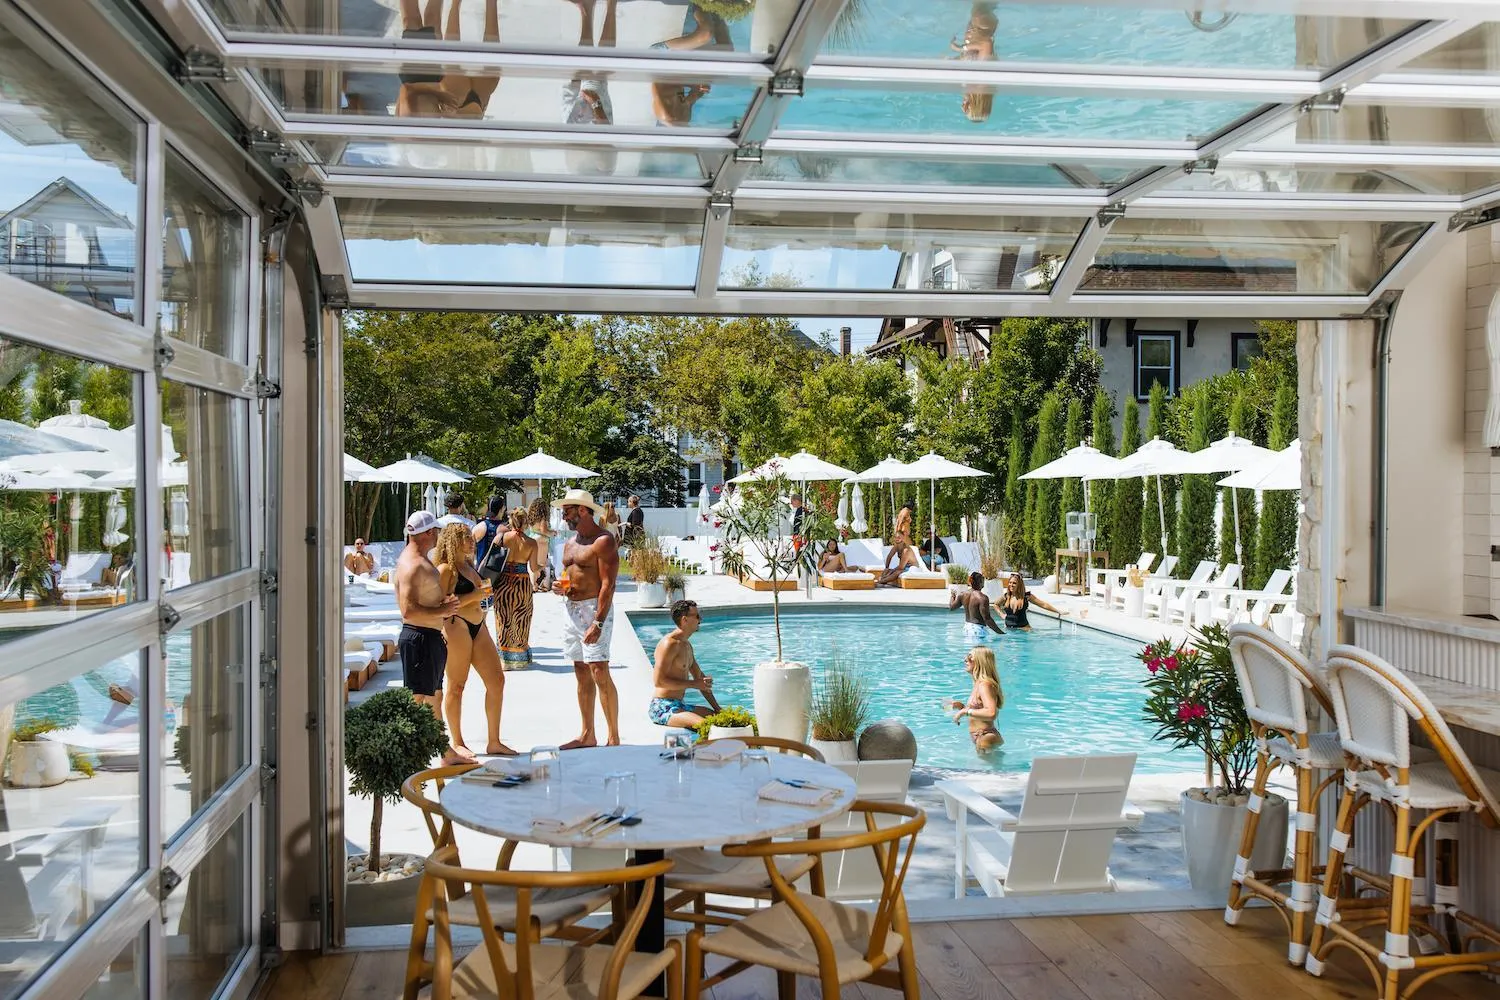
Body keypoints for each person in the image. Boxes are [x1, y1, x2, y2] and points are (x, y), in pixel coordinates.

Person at [433, 524, 515, 759]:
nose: (472, 541)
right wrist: (476, 595)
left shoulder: (468, 565)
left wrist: (483, 592)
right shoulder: (446, 569)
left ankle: (494, 741)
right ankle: (457, 742)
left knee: (497, 681)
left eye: (471, 537)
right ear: (453, 541)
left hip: (479, 625)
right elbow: (441, 604)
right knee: (456, 686)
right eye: (466, 538)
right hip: (456, 626)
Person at [552, 489, 621, 748]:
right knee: (581, 671)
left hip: (594, 609)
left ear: (582, 510)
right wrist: (562, 587)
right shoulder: (570, 542)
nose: (563, 516)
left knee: (599, 670)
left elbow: (608, 585)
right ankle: (587, 734)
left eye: (567, 511)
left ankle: (613, 737)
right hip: (571, 609)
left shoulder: (603, 541)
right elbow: (570, 577)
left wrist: (598, 622)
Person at [395, 511, 459, 731]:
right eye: (437, 532)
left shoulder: (415, 560)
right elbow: (408, 610)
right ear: (429, 532)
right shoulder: (413, 565)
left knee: (434, 697)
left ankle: (442, 746)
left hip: (427, 636)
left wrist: (442, 605)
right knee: (417, 700)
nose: (438, 536)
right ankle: (407, 746)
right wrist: (443, 610)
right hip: (419, 638)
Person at [395, 0, 500, 120]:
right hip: (450, 95)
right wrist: (440, 94)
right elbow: (404, 93)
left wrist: (440, 95)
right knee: (429, 21)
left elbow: (404, 91)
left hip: (466, 100)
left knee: (427, 20)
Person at [650, 6, 731, 126]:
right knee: (728, 54)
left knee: (705, 35)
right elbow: (694, 92)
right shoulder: (684, 117)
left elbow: (666, 84)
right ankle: (719, 12)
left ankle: (699, 4)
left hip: (661, 57)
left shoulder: (668, 115)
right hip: (677, 65)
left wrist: (694, 87)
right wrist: (700, 88)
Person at [649, 599, 716, 729]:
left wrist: (718, 708)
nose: (700, 619)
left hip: (681, 705)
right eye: (697, 616)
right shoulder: (669, 644)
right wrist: (694, 684)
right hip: (663, 707)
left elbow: (700, 680)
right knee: (707, 726)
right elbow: (659, 682)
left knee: (720, 720)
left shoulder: (687, 645)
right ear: (685, 620)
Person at [493, 507, 538, 670]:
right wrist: (542, 566)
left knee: (503, 617)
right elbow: (534, 568)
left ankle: (504, 659)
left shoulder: (501, 537)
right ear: (526, 522)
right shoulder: (531, 542)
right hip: (522, 582)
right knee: (522, 618)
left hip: (503, 582)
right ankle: (519, 657)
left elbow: (491, 559)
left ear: (510, 520)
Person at [947, 646, 1003, 752]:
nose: (965, 659)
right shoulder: (978, 683)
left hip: (986, 737)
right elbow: (978, 712)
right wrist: (961, 707)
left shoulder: (985, 685)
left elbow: (991, 713)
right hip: (982, 736)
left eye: (970, 657)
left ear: (980, 661)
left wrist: (965, 712)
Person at [953, 3, 999, 123]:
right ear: (976, 104)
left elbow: (967, 59)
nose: (962, 106)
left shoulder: (969, 83)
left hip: (976, 25)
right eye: (967, 108)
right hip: (982, 26)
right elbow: (986, 44)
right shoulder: (982, 79)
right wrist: (961, 48)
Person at [949, 571, 1005, 640]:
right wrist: (1000, 633)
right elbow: (987, 619)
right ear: (981, 582)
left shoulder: (962, 595)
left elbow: (951, 607)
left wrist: (953, 596)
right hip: (978, 630)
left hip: (966, 629)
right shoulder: (982, 598)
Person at [1000, 572, 1064, 631]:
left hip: (1023, 630)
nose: (1011, 585)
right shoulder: (1006, 596)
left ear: (1019, 585)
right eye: (1010, 582)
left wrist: (1058, 611)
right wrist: (1001, 614)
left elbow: (1043, 604)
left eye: (1014, 583)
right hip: (1009, 631)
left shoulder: (1026, 596)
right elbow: (996, 604)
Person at [527, 497, 555, 592]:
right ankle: (535, 584)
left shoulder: (531, 518)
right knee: (541, 564)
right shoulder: (542, 518)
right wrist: (553, 533)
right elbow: (544, 531)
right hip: (541, 541)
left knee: (532, 564)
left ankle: (533, 584)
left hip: (532, 538)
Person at [472, 495, 506, 568]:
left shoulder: (477, 527)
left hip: (480, 570)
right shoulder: (504, 529)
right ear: (502, 509)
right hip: (497, 572)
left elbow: (471, 552)